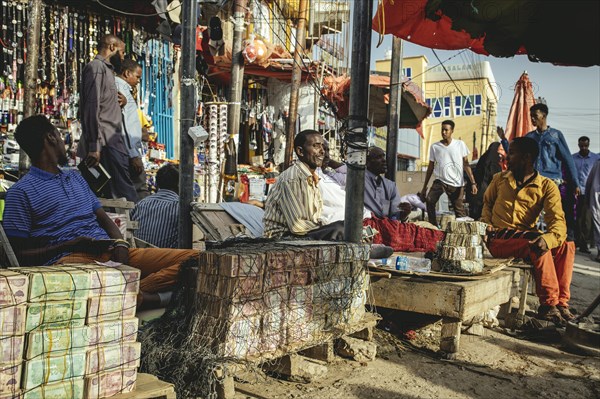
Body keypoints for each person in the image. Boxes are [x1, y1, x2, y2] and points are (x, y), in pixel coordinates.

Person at [2, 116, 198, 309]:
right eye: (60, 137)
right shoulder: (20, 192)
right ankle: (139, 297)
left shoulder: (75, 178)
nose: (64, 143)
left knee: (196, 258)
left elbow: (104, 220)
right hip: (69, 262)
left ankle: (136, 293)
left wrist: (120, 244)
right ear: (51, 138)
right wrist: (69, 244)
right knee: (100, 286)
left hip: (110, 252)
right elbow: (20, 254)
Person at [481, 137, 575, 322]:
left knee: (566, 245)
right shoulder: (499, 179)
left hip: (524, 239)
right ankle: (548, 304)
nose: (507, 157)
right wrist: (485, 223)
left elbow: (557, 221)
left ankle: (561, 303)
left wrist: (548, 239)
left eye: (512, 153)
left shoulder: (546, 186)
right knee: (535, 242)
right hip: (500, 239)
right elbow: (487, 203)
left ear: (527, 158)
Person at [78, 34, 137, 203]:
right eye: (122, 52)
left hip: (112, 142)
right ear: (112, 48)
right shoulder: (96, 68)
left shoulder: (107, 71)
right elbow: (92, 106)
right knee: (123, 195)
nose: (123, 57)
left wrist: (122, 102)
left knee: (117, 196)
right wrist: (95, 146)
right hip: (105, 143)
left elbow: (103, 104)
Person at [263, 130, 344, 240]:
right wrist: (328, 228)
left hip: (301, 235)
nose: (322, 151)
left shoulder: (312, 178)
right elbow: (297, 226)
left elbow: (313, 219)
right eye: (316, 146)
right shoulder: (292, 179)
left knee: (344, 227)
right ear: (300, 151)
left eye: (323, 147)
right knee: (339, 229)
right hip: (282, 238)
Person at [525, 103, 580, 241]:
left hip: (552, 181)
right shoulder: (529, 137)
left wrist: (575, 183)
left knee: (551, 214)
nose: (532, 119)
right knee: (532, 213)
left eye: (535, 116)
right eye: (531, 116)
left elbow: (568, 159)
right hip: (534, 180)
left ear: (543, 116)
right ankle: (534, 245)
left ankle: (552, 244)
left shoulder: (556, 135)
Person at [419, 120, 477, 226]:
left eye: (446, 130)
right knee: (430, 200)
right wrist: (424, 187)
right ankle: (433, 227)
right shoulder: (435, 147)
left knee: (459, 211)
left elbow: (466, 164)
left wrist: (473, 182)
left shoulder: (460, 144)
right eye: (442, 130)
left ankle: (463, 234)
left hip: (456, 183)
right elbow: (430, 167)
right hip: (440, 180)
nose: (444, 132)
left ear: (452, 131)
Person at [116, 59, 150, 201]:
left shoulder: (124, 90)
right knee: (139, 189)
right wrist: (133, 155)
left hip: (126, 150)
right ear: (127, 73)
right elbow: (125, 125)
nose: (138, 81)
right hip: (128, 151)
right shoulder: (120, 88)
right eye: (137, 77)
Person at [131, 163, 180, 248]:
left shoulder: (141, 204)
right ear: (179, 184)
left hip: (139, 255)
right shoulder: (179, 206)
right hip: (166, 257)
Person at [572, 136, 599, 253]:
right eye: (581, 146)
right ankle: (582, 245)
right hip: (577, 193)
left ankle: (589, 242)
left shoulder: (595, 159)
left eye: (585, 146)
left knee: (589, 220)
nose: (583, 148)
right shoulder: (573, 158)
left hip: (591, 193)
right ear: (578, 145)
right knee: (578, 219)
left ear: (589, 145)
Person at [364, 147, 407, 220]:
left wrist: (403, 214)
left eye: (383, 156)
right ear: (368, 161)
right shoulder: (359, 180)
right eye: (378, 157)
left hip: (384, 227)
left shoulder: (390, 186)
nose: (384, 160)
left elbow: (394, 216)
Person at [586, 158, 600, 262]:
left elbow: (589, 182)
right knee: (597, 223)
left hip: (595, 196)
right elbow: (589, 182)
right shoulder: (598, 163)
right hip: (596, 196)